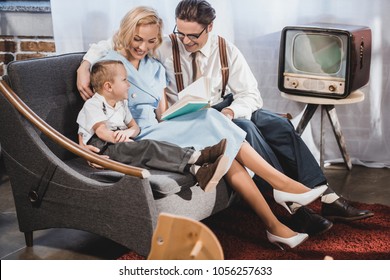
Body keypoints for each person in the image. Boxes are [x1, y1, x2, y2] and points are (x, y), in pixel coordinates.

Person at [77, 0, 374, 236]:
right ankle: (290, 199)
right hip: (185, 117)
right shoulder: (161, 46)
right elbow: (112, 47)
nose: (185, 40)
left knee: (276, 124)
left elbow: (250, 95)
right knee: (242, 128)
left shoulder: (223, 49)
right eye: (180, 33)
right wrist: (85, 65)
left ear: (209, 28)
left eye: (192, 35)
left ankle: (320, 195)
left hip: (224, 108)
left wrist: (230, 111)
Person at [77, 59, 230, 192]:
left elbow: (135, 129)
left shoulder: (121, 104)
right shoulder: (93, 104)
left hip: (118, 141)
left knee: (156, 150)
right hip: (103, 147)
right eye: (124, 80)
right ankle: (200, 156)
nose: (129, 85)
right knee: (148, 147)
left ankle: (198, 172)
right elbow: (102, 132)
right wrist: (123, 140)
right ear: (108, 87)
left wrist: (129, 133)